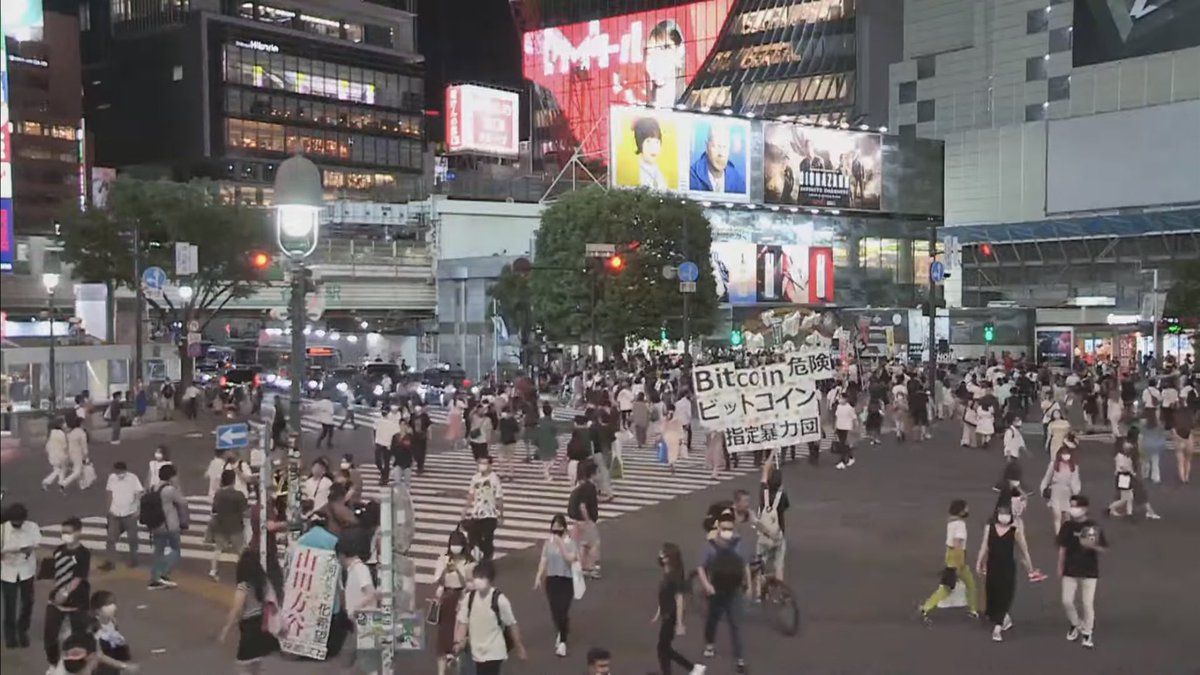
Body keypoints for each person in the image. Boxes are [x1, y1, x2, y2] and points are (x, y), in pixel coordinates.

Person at [974, 502, 1038, 642]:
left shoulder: (1015, 531)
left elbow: (1024, 551)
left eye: (1007, 514)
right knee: (992, 595)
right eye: (1002, 514)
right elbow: (984, 546)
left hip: (1007, 567)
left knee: (1005, 595)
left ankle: (998, 628)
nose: (1004, 517)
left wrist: (1030, 569)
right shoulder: (989, 528)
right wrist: (979, 562)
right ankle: (1003, 618)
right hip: (993, 566)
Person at [696, 508, 747, 673]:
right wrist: (707, 585)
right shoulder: (710, 546)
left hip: (734, 590)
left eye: (730, 529)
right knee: (712, 619)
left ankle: (739, 659)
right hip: (716, 591)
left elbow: (744, 565)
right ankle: (710, 644)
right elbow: (701, 568)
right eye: (724, 528)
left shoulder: (738, 544)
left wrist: (750, 586)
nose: (727, 532)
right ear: (718, 527)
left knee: (735, 624)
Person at [453, 561, 527, 675]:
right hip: (475, 651)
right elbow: (463, 622)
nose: (478, 580)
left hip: (494, 652)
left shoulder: (499, 599)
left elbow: (511, 624)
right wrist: (458, 642)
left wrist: (519, 646)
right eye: (476, 577)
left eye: (482, 577)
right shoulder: (469, 598)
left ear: (490, 580)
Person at [216, 549, 282, 675]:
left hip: (249, 627)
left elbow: (236, 608)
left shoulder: (244, 585)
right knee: (257, 665)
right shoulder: (263, 582)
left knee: (243, 666)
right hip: (263, 625)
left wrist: (226, 629)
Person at [1057, 495, 1107, 649]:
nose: (1073, 509)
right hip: (1070, 569)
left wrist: (1093, 546)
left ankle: (1087, 633)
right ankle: (1076, 623)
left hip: (1089, 570)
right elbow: (1062, 547)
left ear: (1085, 509)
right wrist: (1060, 565)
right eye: (1071, 506)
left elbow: (1104, 548)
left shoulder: (1093, 526)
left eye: (1076, 506)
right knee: (1067, 601)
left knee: (1087, 604)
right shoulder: (1067, 526)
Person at [919, 499, 978, 622]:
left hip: (950, 554)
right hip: (957, 555)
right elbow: (958, 543)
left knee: (955, 585)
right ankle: (972, 610)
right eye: (966, 508)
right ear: (961, 511)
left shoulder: (951, 522)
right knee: (957, 586)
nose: (967, 510)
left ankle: (926, 608)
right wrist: (958, 564)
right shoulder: (960, 525)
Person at [44, 517, 91, 669]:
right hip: (55, 601)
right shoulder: (58, 550)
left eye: (68, 532)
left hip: (76, 601)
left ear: (78, 532)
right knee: (50, 637)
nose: (65, 535)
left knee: (78, 636)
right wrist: (55, 593)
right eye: (63, 532)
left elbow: (78, 577)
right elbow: (55, 573)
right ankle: (53, 664)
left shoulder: (83, 553)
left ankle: (79, 666)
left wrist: (64, 593)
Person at [653, 543, 703, 675]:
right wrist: (659, 612)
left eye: (663, 554)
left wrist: (680, 623)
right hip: (666, 614)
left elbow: (679, 600)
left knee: (664, 648)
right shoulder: (668, 572)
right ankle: (669, 671)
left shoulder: (674, 575)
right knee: (663, 648)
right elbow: (664, 594)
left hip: (671, 615)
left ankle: (692, 668)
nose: (660, 556)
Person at [431, 530, 476, 675]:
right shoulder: (443, 559)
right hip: (446, 599)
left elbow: (469, 583)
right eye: (452, 544)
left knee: (460, 636)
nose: (454, 547)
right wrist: (445, 571)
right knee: (443, 638)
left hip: (462, 598)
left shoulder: (469, 562)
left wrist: (457, 571)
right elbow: (438, 580)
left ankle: (459, 667)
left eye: (457, 544)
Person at [533, 514, 578, 658]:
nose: (556, 531)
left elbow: (570, 559)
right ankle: (562, 629)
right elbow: (543, 559)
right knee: (555, 611)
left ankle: (563, 642)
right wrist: (538, 576)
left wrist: (561, 545)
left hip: (567, 580)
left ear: (564, 528)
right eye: (554, 527)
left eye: (559, 527)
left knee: (562, 610)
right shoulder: (548, 543)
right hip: (552, 580)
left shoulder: (570, 543)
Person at [336, 533, 379, 674]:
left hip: (365, 622)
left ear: (342, 555)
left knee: (361, 663)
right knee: (356, 662)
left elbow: (371, 593)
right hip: (359, 623)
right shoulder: (355, 570)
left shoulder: (360, 569)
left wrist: (356, 608)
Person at [1, 503, 39, 649]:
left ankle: (22, 631)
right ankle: (10, 636)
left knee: (28, 602)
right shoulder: (2, 529)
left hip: (26, 571)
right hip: (8, 572)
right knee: (10, 605)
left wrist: (27, 549)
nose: (18, 525)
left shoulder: (32, 527)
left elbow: (36, 542)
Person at [147, 464, 189, 590]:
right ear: (171, 476)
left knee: (158, 551)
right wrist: (177, 486)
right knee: (175, 551)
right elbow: (183, 502)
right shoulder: (170, 490)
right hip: (170, 525)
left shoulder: (153, 487)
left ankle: (156, 578)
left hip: (156, 524)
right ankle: (162, 574)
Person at [99, 463, 142, 571]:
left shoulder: (133, 478)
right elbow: (109, 493)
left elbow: (138, 494)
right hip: (115, 513)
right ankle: (110, 562)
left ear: (124, 471)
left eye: (120, 472)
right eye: (116, 472)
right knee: (111, 539)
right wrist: (108, 510)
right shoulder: (112, 478)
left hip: (129, 514)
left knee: (132, 539)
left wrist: (138, 509)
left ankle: (134, 560)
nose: (118, 474)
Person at [208, 470, 248, 581]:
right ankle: (245, 572)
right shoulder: (239, 495)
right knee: (240, 550)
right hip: (236, 526)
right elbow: (245, 510)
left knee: (218, 549)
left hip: (220, 525)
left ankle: (213, 570)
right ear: (233, 480)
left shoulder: (218, 494)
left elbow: (214, 509)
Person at [463, 456, 503, 564]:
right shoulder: (475, 478)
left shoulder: (494, 478)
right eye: (480, 463)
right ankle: (481, 554)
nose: (482, 466)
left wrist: (501, 514)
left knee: (488, 538)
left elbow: (499, 497)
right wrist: (465, 510)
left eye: (485, 463)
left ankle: (487, 558)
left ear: (490, 465)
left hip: (490, 514)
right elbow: (471, 494)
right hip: (476, 514)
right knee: (472, 537)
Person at [89, 590, 139, 674]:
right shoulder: (95, 628)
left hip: (114, 664)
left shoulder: (112, 621)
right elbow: (99, 655)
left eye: (113, 603)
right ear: (97, 610)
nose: (113, 607)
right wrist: (124, 666)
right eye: (107, 605)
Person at [568, 460, 602, 579]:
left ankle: (583, 566)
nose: (599, 474)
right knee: (594, 544)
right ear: (592, 474)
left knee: (584, 544)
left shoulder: (582, 485)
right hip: (584, 520)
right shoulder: (590, 487)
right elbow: (583, 506)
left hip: (577, 520)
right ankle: (591, 567)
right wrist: (588, 522)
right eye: (598, 472)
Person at [688, 124, 745, 194]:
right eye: (716, 146)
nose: (721, 154)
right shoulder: (692, 177)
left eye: (724, 147)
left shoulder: (737, 179)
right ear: (706, 147)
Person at [756, 466, 789, 584]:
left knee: (761, 561)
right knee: (779, 564)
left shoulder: (763, 492)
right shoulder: (782, 495)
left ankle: (760, 589)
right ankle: (780, 589)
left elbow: (763, 480)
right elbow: (786, 506)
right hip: (778, 531)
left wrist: (766, 468)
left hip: (764, 533)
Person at [1040, 444, 1082, 536]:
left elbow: (1075, 480)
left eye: (1067, 454)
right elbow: (1047, 477)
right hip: (1056, 491)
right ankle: (1058, 535)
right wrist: (1043, 488)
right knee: (1057, 515)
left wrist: (1076, 492)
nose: (1065, 456)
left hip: (1067, 493)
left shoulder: (1074, 466)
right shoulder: (1054, 465)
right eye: (1063, 454)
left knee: (1066, 516)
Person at [632, 117, 668, 190]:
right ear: (639, 143)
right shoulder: (636, 171)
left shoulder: (657, 170)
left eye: (657, 142)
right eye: (648, 142)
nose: (653, 147)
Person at [41, 418, 70, 492]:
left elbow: (47, 447)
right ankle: (57, 483)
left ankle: (56, 484)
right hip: (61, 456)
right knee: (62, 470)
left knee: (58, 470)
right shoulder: (61, 433)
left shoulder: (50, 433)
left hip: (52, 457)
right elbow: (64, 446)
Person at [62, 417, 89, 490]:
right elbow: (84, 445)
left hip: (71, 453)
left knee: (79, 469)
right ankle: (64, 483)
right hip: (78, 453)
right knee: (77, 471)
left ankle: (82, 485)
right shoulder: (81, 432)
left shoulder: (70, 432)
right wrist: (85, 455)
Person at [534, 403, 559, 481]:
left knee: (545, 459)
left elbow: (536, 432)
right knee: (553, 458)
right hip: (551, 441)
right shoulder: (552, 422)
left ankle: (546, 472)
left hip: (542, 441)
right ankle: (547, 472)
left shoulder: (540, 421)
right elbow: (555, 432)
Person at [834, 394, 857, 470]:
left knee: (843, 444)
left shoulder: (849, 408)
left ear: (845, 399)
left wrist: (855, 427)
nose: (839, 399)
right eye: (839, 398)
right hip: (839, 427)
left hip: (846, 428)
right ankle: (851, 457)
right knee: (843, 444)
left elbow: (854, 418)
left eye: (841, 398)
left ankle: (842, 461)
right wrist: (835, 427)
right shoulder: (839, 407)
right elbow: (837, 417)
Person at [497, 407, 520, 482]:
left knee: (501, 458)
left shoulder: (502, 420)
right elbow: (517, 430)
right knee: (510, 458)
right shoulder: (513, 420)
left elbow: (499, 430)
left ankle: (502, 473)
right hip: (511, 441)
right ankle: (511, 474)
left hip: (502, 441)